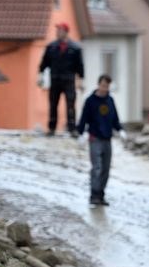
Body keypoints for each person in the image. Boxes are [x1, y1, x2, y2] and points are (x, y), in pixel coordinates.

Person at [77, 74, 124, 206]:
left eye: (107, 86)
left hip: (107, 139)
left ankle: (101, 194)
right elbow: (84, 118)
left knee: (106, 168)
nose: (105, 88)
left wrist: (120, 129)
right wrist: (81, 133)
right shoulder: (90, 101)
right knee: (96, 167)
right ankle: (94, 194)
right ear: (99, 85)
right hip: (95, 138)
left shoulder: (110, 101)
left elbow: (115, 118)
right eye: (103, 85)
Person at [39, 22, 84, 136]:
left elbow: (80, 66)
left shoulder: (75, 48)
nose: (57, 32)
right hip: (55, 79)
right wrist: (40, 75)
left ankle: (72, 128)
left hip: (69, 80)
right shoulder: (51, 47)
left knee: (70, 104)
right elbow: (44, 63)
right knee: (53, 104)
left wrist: (81, 80)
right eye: (57, 30)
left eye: (60, 30)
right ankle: (52, 128)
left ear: (65, 32)